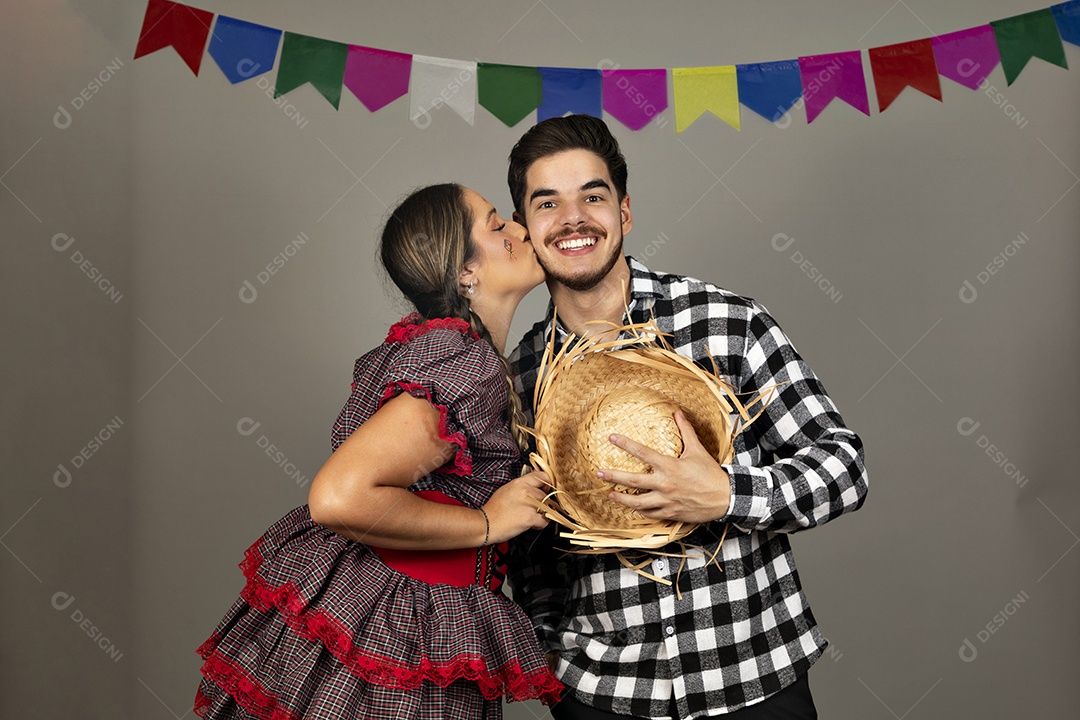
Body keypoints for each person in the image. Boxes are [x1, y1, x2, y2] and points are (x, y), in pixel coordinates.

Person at [506, 115, 869, 719]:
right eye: (548, 203)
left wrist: (727, 495)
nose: (573, 219)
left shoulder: (727, 322)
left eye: (592, 197)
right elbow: (530, 555)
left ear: (624, 213)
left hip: (754, 678)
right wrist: (558, 666)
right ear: (524, 230)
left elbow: (844, 468)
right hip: (605, 696)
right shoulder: (518, 379)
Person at [194, 183, 563, 720]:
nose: (521, 229)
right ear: (464, 272)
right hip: (398, 624)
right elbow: (339, 498)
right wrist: (487, 523)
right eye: (495, 224)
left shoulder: (453, 350)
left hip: (417, 616)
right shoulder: (461, 363)